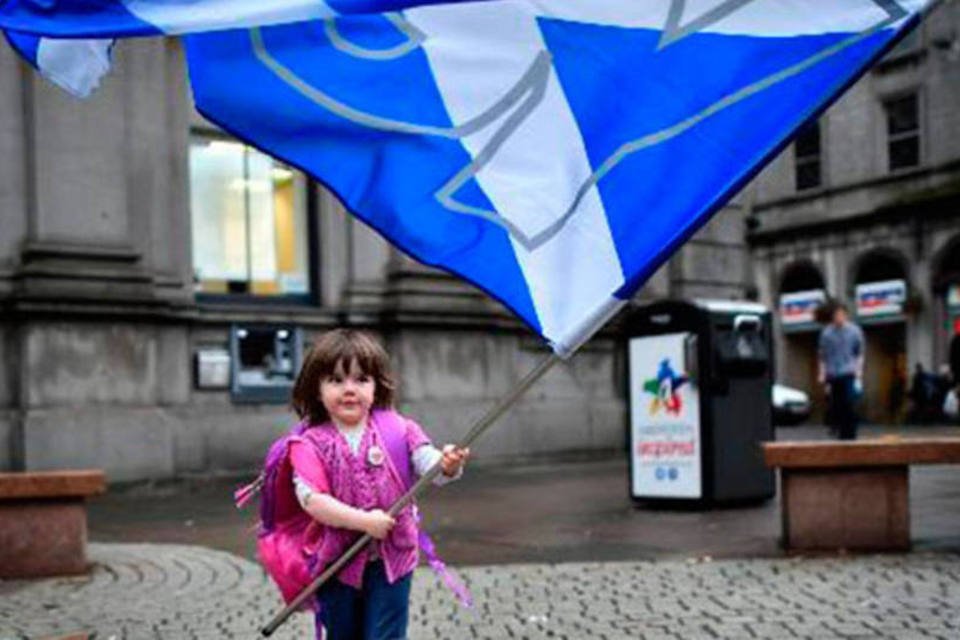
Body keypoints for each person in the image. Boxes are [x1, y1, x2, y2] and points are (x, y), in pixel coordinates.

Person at [260, 329, 470, 640]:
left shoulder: (399, 429)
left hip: (393, 558)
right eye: (336, 380)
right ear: (316, 388)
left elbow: (428, 464)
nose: (349, 389)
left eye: (361, 379)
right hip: (337, 563)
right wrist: (363, 521)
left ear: (376, 386)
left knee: (385, 634)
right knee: (344, 634)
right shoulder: (308, 443)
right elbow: (312, 500)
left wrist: (448, 463)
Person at [818, 302, 864, 440]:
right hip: (833, 373)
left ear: (846, 316)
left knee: (849, 402)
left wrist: (859, 371)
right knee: (835, 404)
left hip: (848, 372)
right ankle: (838, 429)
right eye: (836, 315)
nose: (839, 318)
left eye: (841, 315)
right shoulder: (826, 333)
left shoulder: (854, 331)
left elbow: (859, 353)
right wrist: (822, 373)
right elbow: (822, 355)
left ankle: (850, 433)